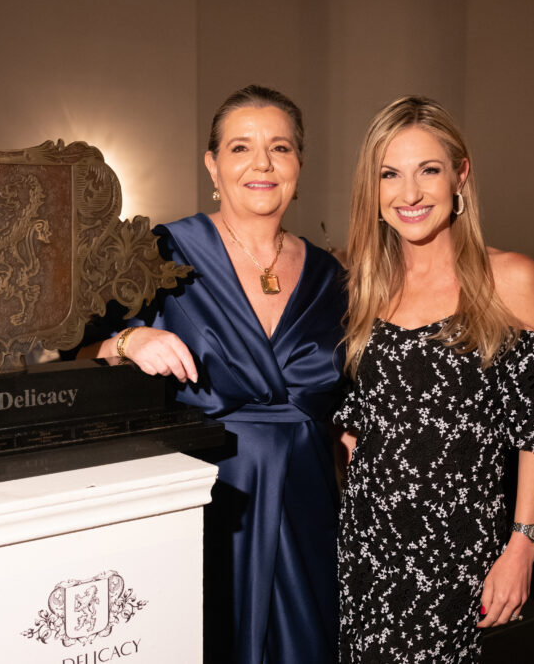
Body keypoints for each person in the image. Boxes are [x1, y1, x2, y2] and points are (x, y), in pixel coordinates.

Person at [84, 85, 345, 663]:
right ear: (212, 164)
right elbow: (77, 358)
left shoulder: (332, 275)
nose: (262, 164)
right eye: (240, 148)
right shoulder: (160, 253)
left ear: (299, 163)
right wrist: (129, 340)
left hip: (309, 498)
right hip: (207, 495)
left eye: (280, 148)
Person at [335, 96, 534, 661]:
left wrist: (522, 547)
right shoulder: (365, 285)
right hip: (367, 543)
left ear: (460, 176)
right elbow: (358, 412)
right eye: (389, 174)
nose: (410, 193)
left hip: (454, 549)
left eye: (428, 170)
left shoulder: (510, 279)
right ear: (372, 190)